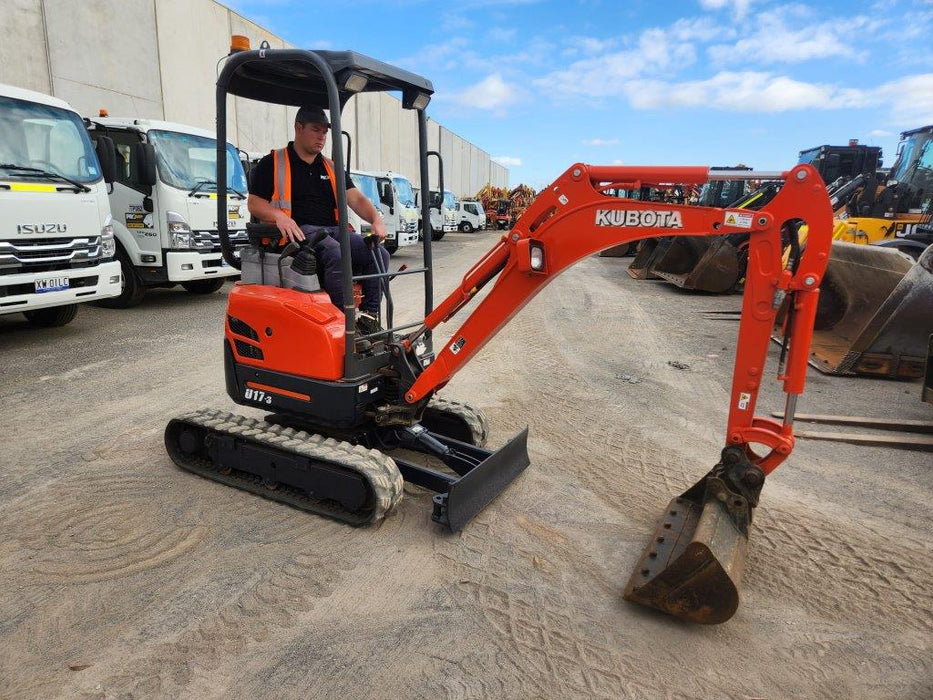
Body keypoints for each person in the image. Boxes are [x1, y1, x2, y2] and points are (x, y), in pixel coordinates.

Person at [247, 106, 389, 336]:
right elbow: (254, 203)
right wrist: (278, 216)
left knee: (378, 253)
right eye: (316, 130)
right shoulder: (273, 162)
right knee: (336, 253)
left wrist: (376, 219)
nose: (322, 137)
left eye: (325, 132)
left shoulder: (331, 167)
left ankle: (370, 318)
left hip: (331, 231)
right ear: (298, 128)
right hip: (296, 235)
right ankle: (346, 324)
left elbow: (357, 199)